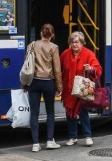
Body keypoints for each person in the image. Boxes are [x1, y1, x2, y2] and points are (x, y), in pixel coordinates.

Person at [25, 24, 63, 153]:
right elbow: (57, 69)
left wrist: (24, 84)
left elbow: (26, 65)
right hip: (48, 82)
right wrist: (59, 86)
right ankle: (49, 140)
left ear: (41, 33)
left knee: (34, 114)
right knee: (50, 112)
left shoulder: (32, 45)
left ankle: (35, 144)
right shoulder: (54, 47)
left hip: (34, 82)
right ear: (52, 35)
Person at [60, 31, 102, 147]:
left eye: (77, 42)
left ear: (82, 43)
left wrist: (91, 69)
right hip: (68, 89)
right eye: (72, 42)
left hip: (82, 89)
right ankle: (72, 136)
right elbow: (60, 71)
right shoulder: (65, 54)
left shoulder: (88, 54)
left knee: (83, 112)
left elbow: (98, 69)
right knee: (69, 113)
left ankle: (88, 136)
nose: (74, 45)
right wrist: (59, 87)